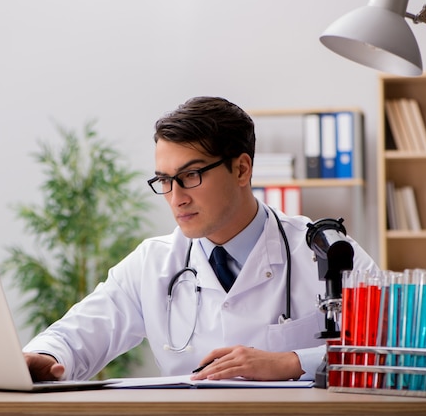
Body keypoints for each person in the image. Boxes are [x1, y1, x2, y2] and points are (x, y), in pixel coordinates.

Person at [23, 96, 379, 382]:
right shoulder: (152, 263)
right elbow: (76, 335)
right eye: (164, 180)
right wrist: (45, 358)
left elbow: (387, 345)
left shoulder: (325, 250)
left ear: (241, 169)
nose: (176, 197)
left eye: (190, 175)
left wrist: (292, 362)